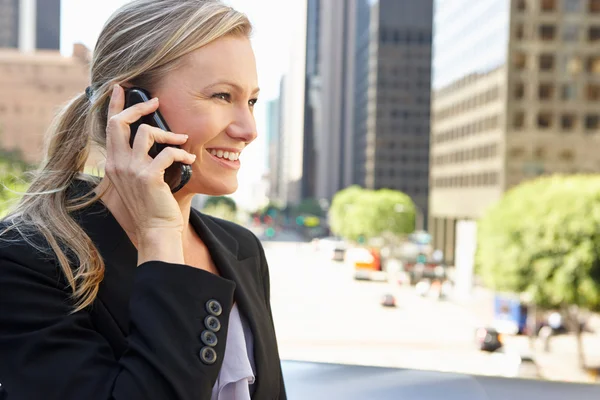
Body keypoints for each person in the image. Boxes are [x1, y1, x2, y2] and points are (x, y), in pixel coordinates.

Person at [0, 1, 286, 399]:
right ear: (133, 105)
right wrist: (159, 235)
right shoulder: (24, 257)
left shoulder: (242, 249)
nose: (248, 128)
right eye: (222, 96)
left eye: (251, 101)